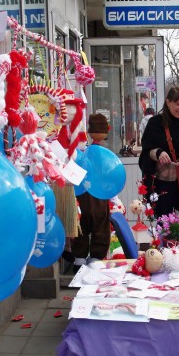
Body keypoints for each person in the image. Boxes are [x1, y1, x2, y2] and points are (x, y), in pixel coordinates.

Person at [139, 87, 179, 220]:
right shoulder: (155, 123)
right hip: (163, 181)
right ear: (168, 102)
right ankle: (165, 242)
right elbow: (147, 149)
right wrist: (158, 153)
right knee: (164, 221)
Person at [72, 114, 112, 272]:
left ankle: (79, 258)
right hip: (99, 194)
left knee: (81, 224)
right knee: (100, 224)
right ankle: (95, 256)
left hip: (82, 193)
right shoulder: (102, 154)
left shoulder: (82, 152)